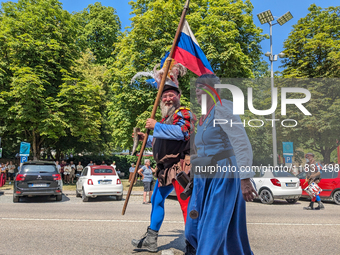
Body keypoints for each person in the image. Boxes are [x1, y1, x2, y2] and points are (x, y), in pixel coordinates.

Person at [184, 74, 257, 255]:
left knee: (213, 228)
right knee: (194, 227)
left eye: (201, 87)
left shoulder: (222, 108)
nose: (197, 91)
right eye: (196, 88)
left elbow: (241, 142)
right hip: (204, 177)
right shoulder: (203, 117)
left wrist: (245, 178)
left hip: (223, 174)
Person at [131, 62, 195, 253]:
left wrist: (156, 128)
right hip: (165, 170)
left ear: (178, 96)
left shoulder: (183, 113)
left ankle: (194, 245)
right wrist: (148, 139)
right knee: (156, 201)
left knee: (187, 207)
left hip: (181, 168)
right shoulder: (163, 120)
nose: (167, 98)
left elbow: (182, 133)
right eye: (164, 95)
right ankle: (151, 241)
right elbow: (163, 144)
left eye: (171, 94)